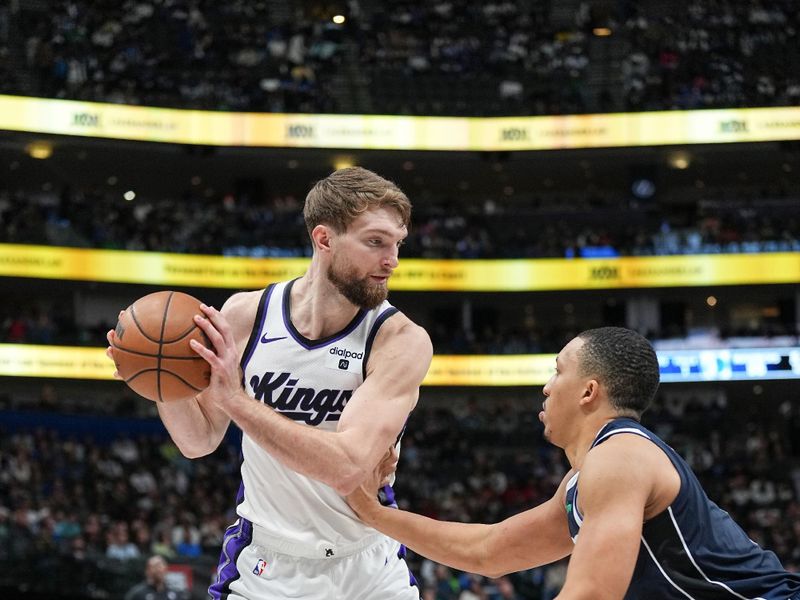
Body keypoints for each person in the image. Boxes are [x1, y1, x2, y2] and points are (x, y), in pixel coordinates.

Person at [107, 167, 431, 599]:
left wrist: (238, 402)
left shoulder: (399, 340)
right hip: (265, 565)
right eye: (376, 242)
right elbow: (198, 440)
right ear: (324, 239)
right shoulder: (246, 315)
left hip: (367, 567)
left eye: (397, 244)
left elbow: (347, 466)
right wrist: (162, 384)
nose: (392, 259)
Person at [347, 327, 800, 600]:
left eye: (558, 370)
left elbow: (592, 593)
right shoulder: (586, 478)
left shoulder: (619, 457)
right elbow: (488, 551)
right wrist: (373, 512)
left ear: (589, 391)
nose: (546, 386)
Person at [124, 554, 190, 600]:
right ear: (147, 571)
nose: (159, 569)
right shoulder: (137, 594)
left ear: (166, 571)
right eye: (155, 566)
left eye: (162, 566)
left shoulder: (176, 594)